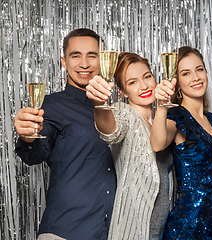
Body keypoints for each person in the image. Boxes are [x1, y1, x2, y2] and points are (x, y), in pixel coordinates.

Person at [14, 28, 116, 240]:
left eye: (92, 55)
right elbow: (35, 154)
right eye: (75, 55)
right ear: (64, 61)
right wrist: (28, 137)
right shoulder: (52, 105)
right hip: (66, 232)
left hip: (109, 232)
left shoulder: (115, 111)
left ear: (103, 59)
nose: (84, 63)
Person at [86, 52, 172, 240]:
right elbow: (111, 132)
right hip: (135, 229)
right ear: (123, 91)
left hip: (164, 228)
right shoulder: (123, 113)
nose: (144, 86)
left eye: (147, 77)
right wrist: (100, 104)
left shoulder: (162, 119)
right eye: (132, 82)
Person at [150, 46, 212, 239]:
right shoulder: (176, 116)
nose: (196, 77)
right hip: (188, 225)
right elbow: (157, 144)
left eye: (199, 69)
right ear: (176, 82)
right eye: (186, 73)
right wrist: (161, 105)